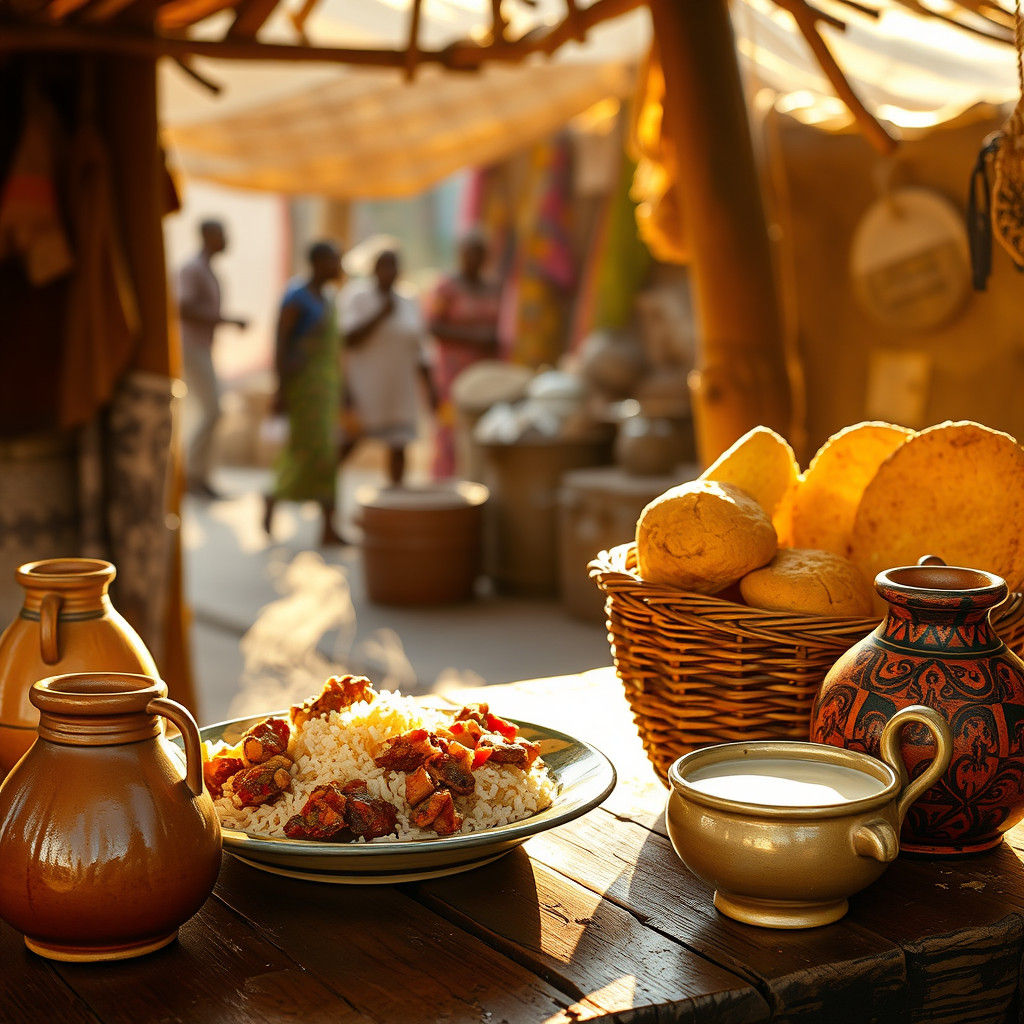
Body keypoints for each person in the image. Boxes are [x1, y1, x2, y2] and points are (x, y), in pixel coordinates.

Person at [263, 240, 347, 547]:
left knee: (326, 454)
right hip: (303, 389)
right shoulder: (297, 297)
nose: (339, 267)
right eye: (334, 260)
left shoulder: (328, 298)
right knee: (308, 452)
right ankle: (274, 496)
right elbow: (281, 344)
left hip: (326, 390)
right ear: (318, 262)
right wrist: (281, 389)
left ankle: (328, 526)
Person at [340, 247, 432, 487]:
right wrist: (380, 314)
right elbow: (347, 339)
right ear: (373, 269)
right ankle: (323, 492)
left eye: (394, 266)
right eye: (384, 265)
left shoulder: (409, 300)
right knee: (347, 442)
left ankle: (394, 501)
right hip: (366, 386)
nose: (389, 272)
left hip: (400, 387)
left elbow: (421, 347)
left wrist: (430, 387)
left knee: (399, 444)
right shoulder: (358, 297)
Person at [177, 219, 248, 498]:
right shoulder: (192, 269)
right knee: (212, 411)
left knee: (206, 412)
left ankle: (197, 475)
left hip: (202, 347)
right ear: (207, 236)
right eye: (221, 235)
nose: (226, 240)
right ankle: (192, 475)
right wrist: (226, 321)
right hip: (191, 347)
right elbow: (182, 308)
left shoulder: (205, 270)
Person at [425, 230, 501, 479]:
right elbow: (433, 326)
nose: (474, 259)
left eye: (479, 254)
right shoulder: (447, 287)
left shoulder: (492, 287)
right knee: (451, 427)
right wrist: (473, 338)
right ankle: (447, 481)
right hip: (452, 372)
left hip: (483, 373)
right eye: (470, 253)